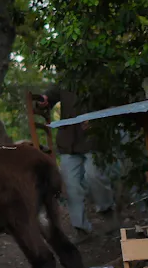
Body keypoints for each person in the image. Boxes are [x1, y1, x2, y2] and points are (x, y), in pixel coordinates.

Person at [36, 85, 114, 233]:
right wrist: (44, 99)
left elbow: (111, 105)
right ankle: (81, 228)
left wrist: (96, 121)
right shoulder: (66, 80)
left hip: (93, 139)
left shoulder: (97, 77)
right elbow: (51, 95)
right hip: (68, 140)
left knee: (94, 175)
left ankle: (106, 208)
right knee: (71, 185)